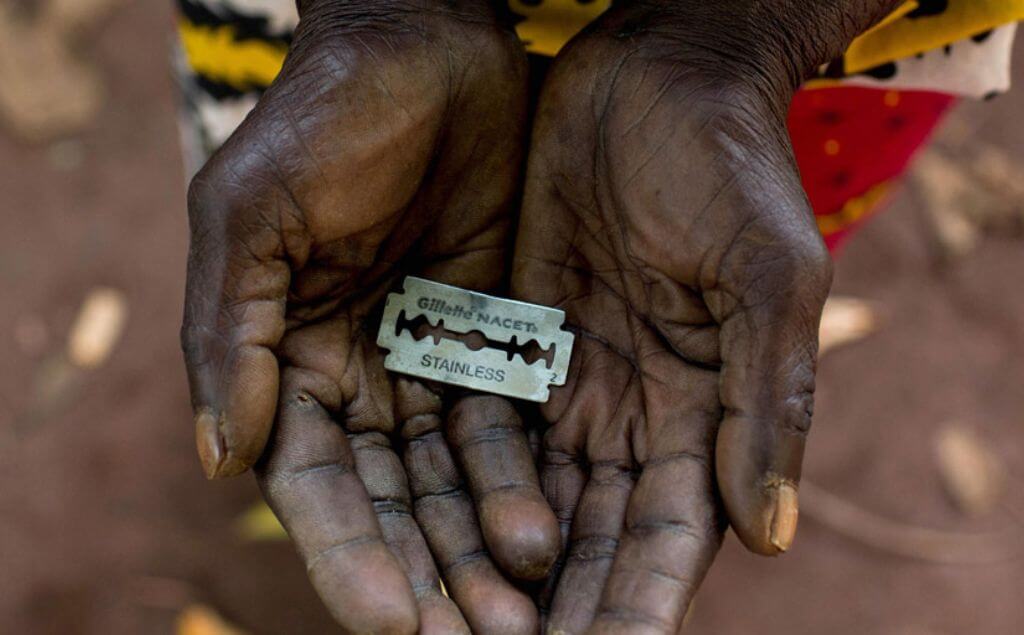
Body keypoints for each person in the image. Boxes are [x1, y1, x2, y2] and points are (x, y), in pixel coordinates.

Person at [176, 1, 1023, 633]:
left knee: (741, 254)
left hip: (812, 50)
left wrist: (742, 28)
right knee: (296, 206)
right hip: (330, 41)